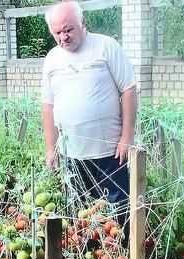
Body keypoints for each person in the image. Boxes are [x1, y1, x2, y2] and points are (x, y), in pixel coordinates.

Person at [41, 0, 137, 207]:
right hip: (71, 154)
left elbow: (128, 89)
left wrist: (127, 137)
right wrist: (51, 148)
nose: (63, 37)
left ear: (82, 23)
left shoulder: (105, 46)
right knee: (79, 213)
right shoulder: (52, 58)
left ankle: (123, 241)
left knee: (118, 207)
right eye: (57, 33)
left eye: (68, 30)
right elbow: (48, 105)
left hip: (110, 153)